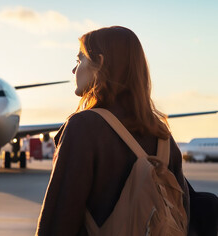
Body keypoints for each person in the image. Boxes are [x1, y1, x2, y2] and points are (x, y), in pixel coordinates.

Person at [35, 26, 190, 235]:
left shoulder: (84, 127)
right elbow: (183, 214)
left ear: (99, 63)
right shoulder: (163, 135)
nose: (74, 70)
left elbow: (58, 222)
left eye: (79, 60)